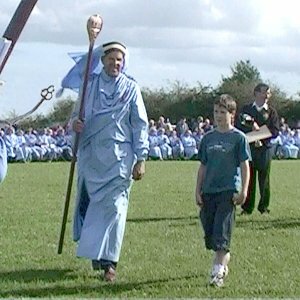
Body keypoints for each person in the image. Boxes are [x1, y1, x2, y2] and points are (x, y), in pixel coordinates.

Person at [59, 41, 149, 282]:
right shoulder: (89, 88)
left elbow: (140, 125)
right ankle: (97, 255)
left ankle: (110, 263)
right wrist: (75, 127)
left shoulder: (131, 89)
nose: (115, 64)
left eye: (119, 60)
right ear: (102, 61)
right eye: (111, 59)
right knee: (92, 207)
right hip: (92, 159)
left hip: (120, 160)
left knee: (116, 210)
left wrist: (141, 158)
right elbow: (75, 120)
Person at [195, 94, 250, 287]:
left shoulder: (238, 138)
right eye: (216, 112)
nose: (218, 116)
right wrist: (197, 190)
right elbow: (202, 166)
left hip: (228, 191)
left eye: (223, 112)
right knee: (210, 234)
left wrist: (243, 190)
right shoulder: (208, 138)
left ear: (232, 114)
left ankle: (217, 273)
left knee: (221, 233)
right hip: (209, 190)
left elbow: (245, 166)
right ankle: (223, 258)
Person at [237, 83, 280, 215]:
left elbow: (275, 130)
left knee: (264, 179)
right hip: (249, 149)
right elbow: (240, 127)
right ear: (256, 93)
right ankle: (247, 208)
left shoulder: (271, 112)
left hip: (265, 149)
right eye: (264, 92)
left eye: (268, 93)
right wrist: (253, 133)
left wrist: (260, 137)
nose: (266, 95)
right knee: (249, 178)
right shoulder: (246, 109)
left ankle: (264, 207)